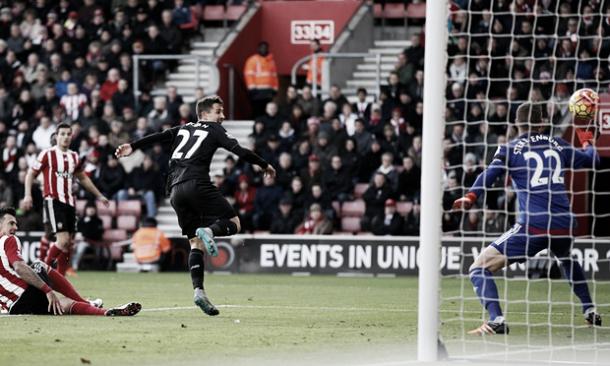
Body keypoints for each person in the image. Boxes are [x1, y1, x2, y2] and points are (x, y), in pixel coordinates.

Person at [115, 96, 276, 316]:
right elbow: (239, 150)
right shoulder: (214, 130)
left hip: (174, 191)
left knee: (195, 243)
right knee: (234, 223)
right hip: (196, 183)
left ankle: (199, 291)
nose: (223, 116)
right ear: (205, 114)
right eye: (219, 111)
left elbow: (158, 137)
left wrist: (132, 146)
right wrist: (264, 165)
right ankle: (209, 230)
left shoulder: (183, 128)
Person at [453, 103, 602, 335]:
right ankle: (589, 308)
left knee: (478, 268)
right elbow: (592, 161)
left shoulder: (510, 149)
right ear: (542, 122)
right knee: (566, 258)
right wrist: (587, 139)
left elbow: (488, 175)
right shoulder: (559, 144)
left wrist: (470, 196)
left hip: (534, 225)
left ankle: (496, 319)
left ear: (516, 123)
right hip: (564, 222)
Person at [0, 207, 140, 316]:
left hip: (15, 308)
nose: (15, 228)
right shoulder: (8, 239)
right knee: (38, 265)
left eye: (16, 224)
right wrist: (47, 290)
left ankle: (107, 312)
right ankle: (87, 303)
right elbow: (19, 267)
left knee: (64, 305)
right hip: (24, 294)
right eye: (11, 223)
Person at [23, 123, 109, 275]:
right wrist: (27, 195)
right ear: (56, 136)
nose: (66, 137)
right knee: (62, 240)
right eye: (62, 134)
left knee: (68, 244)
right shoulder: (47, 154)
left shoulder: (74, 156)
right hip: (53, 200)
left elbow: (83, 178)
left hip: (70, 202)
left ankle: (61, 279)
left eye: (69, 134)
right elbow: (31, 174)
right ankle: (41, 272)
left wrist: (99, 195)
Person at [243, 41, 279, 118]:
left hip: (268, 91)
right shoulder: (252, 60)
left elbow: (274, 76)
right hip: (257, 91)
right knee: (257, 111)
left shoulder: (271, 61)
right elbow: (249, 75)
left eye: (265, 48)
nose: (264, 49)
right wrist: (251, 88)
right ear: (258, 49)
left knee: (267, 111)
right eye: (262, 47)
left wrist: (275, 89)